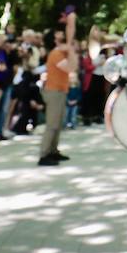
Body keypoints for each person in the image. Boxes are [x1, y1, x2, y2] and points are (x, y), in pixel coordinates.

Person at [38, 28, 74, 166]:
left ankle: (53, 151)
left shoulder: (59, 52)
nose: (62, 34)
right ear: (54, 39)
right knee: (52, 124)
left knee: (57, 124)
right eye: (58, 33)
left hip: (59, 91)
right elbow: (68, 67)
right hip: (54, 92)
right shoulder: (56, 53)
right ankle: (44, 154)